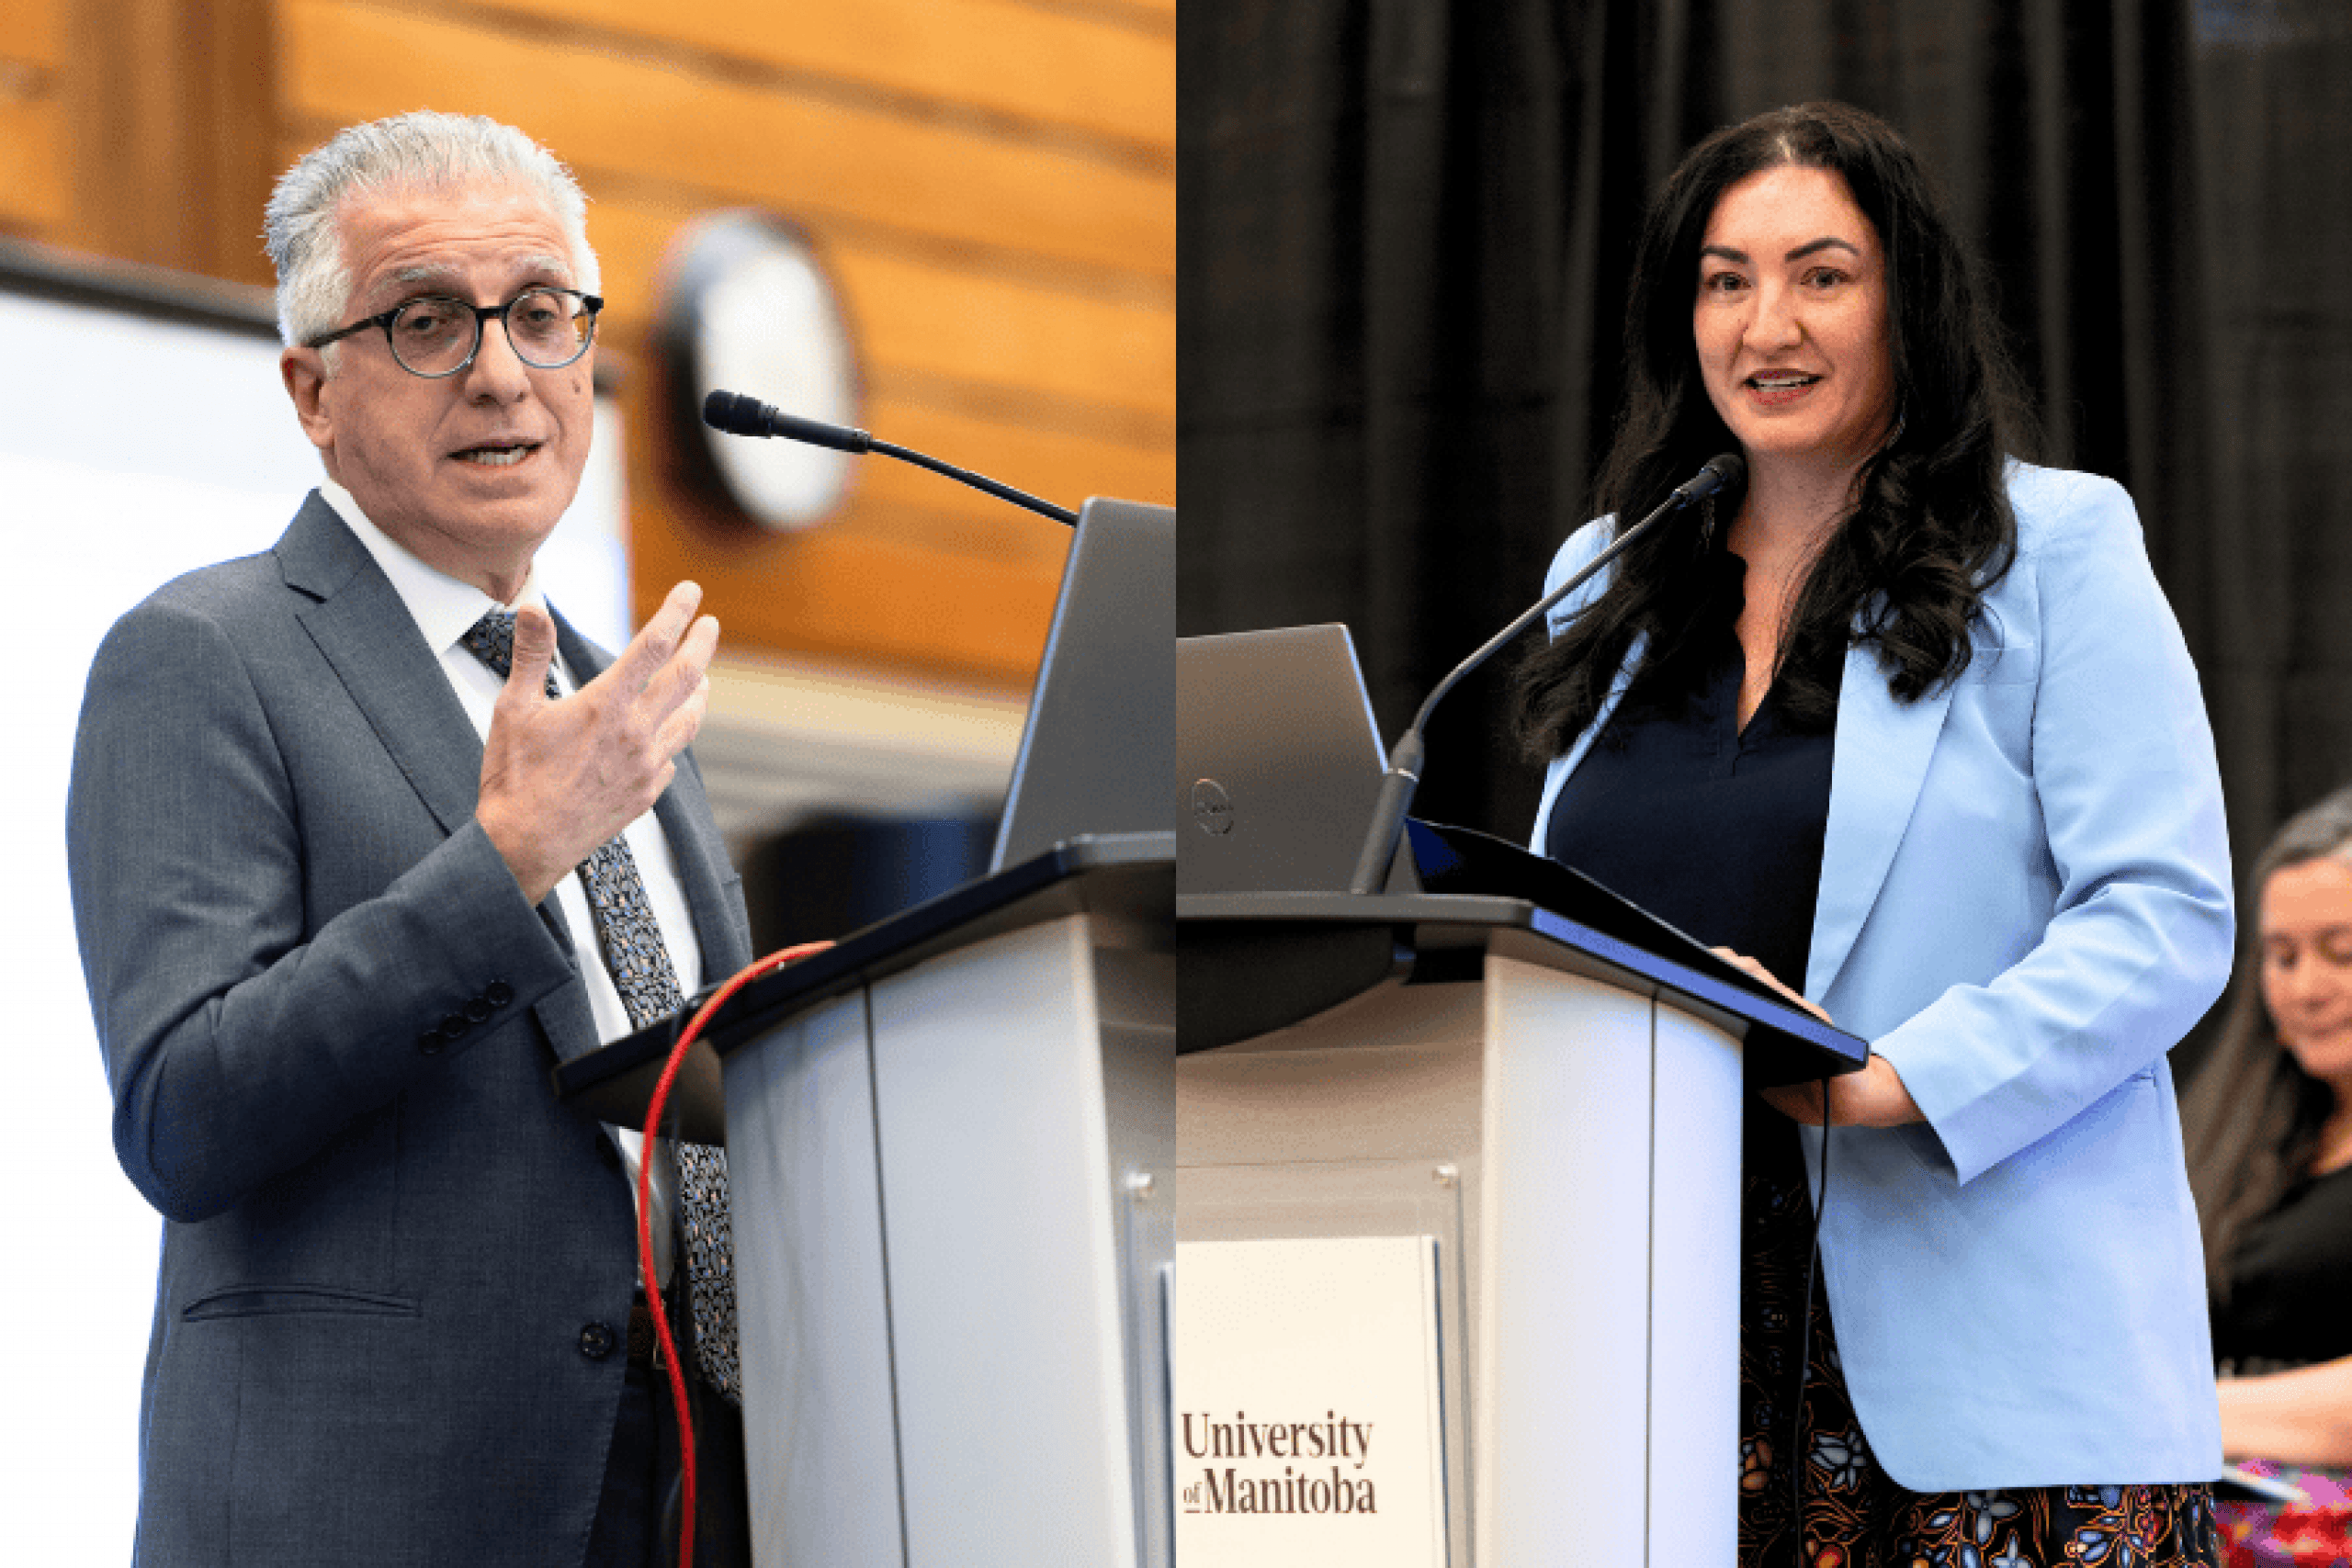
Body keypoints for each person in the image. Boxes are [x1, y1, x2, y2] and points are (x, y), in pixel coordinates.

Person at [1512, 102, 2232, 1564]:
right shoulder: (1609, 573)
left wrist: (1888, 1075)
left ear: (1909, 296)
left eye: (1821, 274)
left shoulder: (2055, 551)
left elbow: (2163, 919)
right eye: (1725, 279)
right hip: (1647, 1349)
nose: (1765, 322)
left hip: (1984, 1373)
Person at [66, 112, 755, 1564]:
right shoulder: (202, 654)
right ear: (313, 391)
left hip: (678, 1494)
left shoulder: (613, 706)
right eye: (430, 320)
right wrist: (503, 864)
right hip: (375, 1504)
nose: (504, 369)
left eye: (542, 314)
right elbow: (185, 1108)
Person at [2181, 789, 2352, 1562]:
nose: (2306, 987)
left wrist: (2166, 1408)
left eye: (2341, 951)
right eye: (2282, 956)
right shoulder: (2239, 1133)